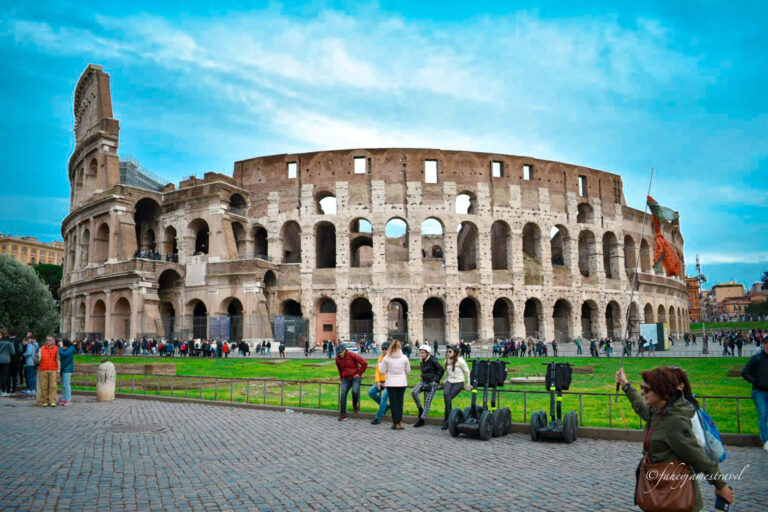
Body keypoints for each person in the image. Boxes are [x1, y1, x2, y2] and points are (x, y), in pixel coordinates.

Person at [615, 366, 734, 511]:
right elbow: (640, 406)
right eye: (641, 387)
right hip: (659, 487)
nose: (642, 392)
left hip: (674, 495)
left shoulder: (674, 422)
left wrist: (720, 485)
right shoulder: (658, 412)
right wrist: (625, 385)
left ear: (662, 392)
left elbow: (698, 456)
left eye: (646, 389)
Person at [741, 336, 768, 452]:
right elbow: (745, 373)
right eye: (767, 343)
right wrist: (756, 381)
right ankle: (766, 440)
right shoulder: (756, 358)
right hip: (759, 391)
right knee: (763, 414)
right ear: (764, 344)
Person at [377, 340, 411, 430]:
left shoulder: (387, 358)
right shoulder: (404, 357)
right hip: (402, 382)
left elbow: (382, 371)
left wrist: (380, 365)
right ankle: (399, 422)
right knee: (400, 403)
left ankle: (394, 423)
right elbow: (408, 370)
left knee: (393, 403)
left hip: (391, 383)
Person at [411, 344, 444, 427]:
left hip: (432, 383)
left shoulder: (433, 360)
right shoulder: (422, 360)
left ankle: (422, 419)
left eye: (423, 353)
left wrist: (436, 380)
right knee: (414, 392)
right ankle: (420, 409)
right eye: (420, 353)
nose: (421, 354)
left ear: (428, 353)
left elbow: (441, 370)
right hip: (424, 381)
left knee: (427, 401)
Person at [335, 344, 368, 421]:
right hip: (346, 378)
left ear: (344, 350)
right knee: (343, 394)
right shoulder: (337, 359)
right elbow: (340, 370)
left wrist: (359, 373)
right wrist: (341, 379)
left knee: (355, 391)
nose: (340, 354)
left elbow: (364, 363)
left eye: (340, 352)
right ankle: (342, 414)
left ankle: (355, 405)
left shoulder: (352, 355)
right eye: (338, 353)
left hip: (355, 377)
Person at [441, 345, 470, 430]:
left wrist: (469, 383)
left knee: (448, 399)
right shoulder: (446, 361)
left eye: (450, 351)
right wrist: (445, 381)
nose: (448, 353)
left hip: (459, 382)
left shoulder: (460, 361)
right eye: (447, 351)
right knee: (446, 395)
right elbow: (447, 373)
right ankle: (449, 420)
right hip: (449, 381)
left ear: (455, 353)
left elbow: (467, 372)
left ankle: (447, 421)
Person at [368, 341, 390, 425]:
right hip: (380, 381)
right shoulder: (380, 358)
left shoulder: (391, 359)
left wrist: (386, 383)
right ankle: (385, 407)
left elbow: (391, 372)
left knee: (384, 397)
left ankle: (378, 417)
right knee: (371, 392)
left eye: (386, 349)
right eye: (383, 349)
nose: (384, 350)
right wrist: (377, 381)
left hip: (389, 382)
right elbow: (377, 371)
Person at [38, 335, 59, 407]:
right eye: (47, 340)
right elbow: (38, 359)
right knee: (44, 386)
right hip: (43, 369)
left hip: (53, 369)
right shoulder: (42, 349)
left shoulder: (56, 349)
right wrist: (37, 358)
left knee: (53, 386)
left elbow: (58, 360)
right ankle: (45, 401)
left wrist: (58, 371)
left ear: (53, 341)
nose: (48, 341)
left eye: (50, 340)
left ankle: (52, 400)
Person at [58, 339, 76, 406]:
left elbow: (62, 353)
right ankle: (64, 398)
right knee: (63, 385)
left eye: (63, 346)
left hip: (67, 369)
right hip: (63, 369)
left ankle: (68, 399)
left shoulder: (71, 348)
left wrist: (60, 347)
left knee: (66, 385)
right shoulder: (66, 348)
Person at [0, 328, 15, 396]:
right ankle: (3, 390)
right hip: (6, 359)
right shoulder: (9, 342)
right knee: (4, 375)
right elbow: (13, 352)